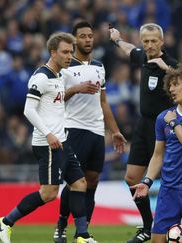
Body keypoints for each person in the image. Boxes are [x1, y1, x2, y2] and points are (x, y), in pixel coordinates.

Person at [0, 32, 96, 243]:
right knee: (49, 193)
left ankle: (83, 236)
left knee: (79, 183)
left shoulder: (59, 76)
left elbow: (54, 107)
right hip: (48, 143)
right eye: (65, 52)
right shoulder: (41, 77)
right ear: (53, 53)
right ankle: (6, 222)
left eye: (71, 52)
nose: (69, 56)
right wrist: (49, 134)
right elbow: (28, 110)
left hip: (62, 141)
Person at [53, 21, 127, 243]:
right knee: (77, 181)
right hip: (74, 128)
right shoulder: (65, 66)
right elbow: (55, 100)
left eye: (90, 36)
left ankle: (82, 233)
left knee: (93, 180)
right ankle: (61, 225)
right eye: (83, 36)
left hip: (96, 131)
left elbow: (103, 102)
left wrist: (115, 131)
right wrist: (76, 89)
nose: (87, 40)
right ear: (75, 40)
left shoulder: (98, 66)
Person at [109, 23, 179, 243]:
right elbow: (130, 50)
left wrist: (166, 68)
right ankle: (148, 226)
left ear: (162, 41)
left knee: (170, 180)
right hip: (143, 125)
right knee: (131, 177)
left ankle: (173, 226)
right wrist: (117, 39)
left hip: (165, 128)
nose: (149, 45)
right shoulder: (142, 57)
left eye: (153, 41)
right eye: (145, 41)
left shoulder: (171, 63)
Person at [131, 67, 182, 243]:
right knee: (157, 240)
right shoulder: (163, 118)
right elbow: (158, 155)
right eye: (169, 86)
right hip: (168, 190)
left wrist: (175, 122)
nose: (171, 89)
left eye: (176, 85)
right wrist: (147, 181)